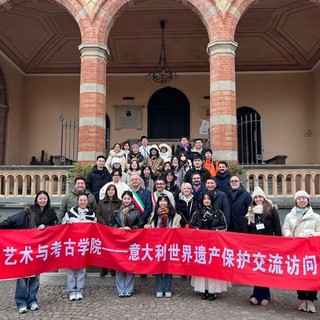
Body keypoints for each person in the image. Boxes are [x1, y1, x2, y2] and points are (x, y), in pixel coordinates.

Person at [0, 190, 58, 314]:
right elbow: (9, 222)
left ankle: (32, 300)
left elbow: (56, 229)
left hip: (40, 250)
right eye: (40, 198)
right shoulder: (27, 212)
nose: (42, 200)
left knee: (36, 276)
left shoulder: (52, 213)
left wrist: (46, 228)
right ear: (36, 199)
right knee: (22, 276)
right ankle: (21, 302)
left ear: (48, 200)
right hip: (26, 249)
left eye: (45, 198)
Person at [282, 190, 320, 313]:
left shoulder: (316, 217)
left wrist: (311, 234)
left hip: (311, 250)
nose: (301, 200)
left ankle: (311, 300)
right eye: (299, 198)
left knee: (312, 275)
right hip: (296, 249)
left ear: (308, 200)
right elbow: (285, 228)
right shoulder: (289, 216)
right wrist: (288, 235)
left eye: (304, 198)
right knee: (299, 275)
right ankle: (302, 299)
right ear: (296, 201)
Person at [244, 186, 281, 306]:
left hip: (268, 244)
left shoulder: (271, 210)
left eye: (260, 197)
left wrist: (279, 243)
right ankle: (255, 294)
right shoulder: (250, 211)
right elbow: (246, 229)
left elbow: (277, 227)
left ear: (264, 198)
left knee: (264, 270)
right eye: (256, 197)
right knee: (256, 269)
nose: (258, 199)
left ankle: (266, 295)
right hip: (254, 245)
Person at [190, 191, 229, 300]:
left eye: (208, 199)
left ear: (211, 200)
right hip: (201, 245)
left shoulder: (218, 212)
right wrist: (196, 230)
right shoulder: (197, 213)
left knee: (213, 266)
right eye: (204, 199)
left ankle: (213, 290)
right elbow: (191, 225)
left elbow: (224, 226)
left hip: (214, 245)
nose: (206, 201)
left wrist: (215, 231)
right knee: (202, 266)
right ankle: (204, 289)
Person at [144, 193, 181, 298]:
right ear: (158, 203)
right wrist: (148, 226)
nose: (163, 203)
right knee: (158, 266)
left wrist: (176, 228)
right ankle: (159, 288)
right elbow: (150, 225)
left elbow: (178, 226)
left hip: (170, 243)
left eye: (165, 201)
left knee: (169, 266)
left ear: (168, 203)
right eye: (161, 201)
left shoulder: (175, 215)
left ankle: (168, 288)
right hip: (157, 244)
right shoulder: (154, 215)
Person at [62, 193, 96, 301]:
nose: (83, 202)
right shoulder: (70, 212)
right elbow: (63, 225)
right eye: (81, 200)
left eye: (85, 200)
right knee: (71, 269)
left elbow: (95, 230)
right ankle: (71, 291)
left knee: (82, 269)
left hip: (84, 245)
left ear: (88, 202)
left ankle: (79, 290)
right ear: (77, 201)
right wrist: (66, 223)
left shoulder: (91, 214)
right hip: (72, 245)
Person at [110, 190, 143, 297]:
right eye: (125, 198)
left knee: (130, 265)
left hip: (132, 241)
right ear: (122, 199)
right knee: (119, 265)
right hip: (119, 241)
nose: (126, 200)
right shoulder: (116, 212)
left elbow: (140, 225)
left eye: (128, 199)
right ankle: (120, 289)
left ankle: (128, 288)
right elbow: (112, 224)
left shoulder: (136, 212)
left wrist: (132, 229)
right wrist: (118, 228)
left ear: (131, 200)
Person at [96, 184, 121, 277]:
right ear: (106, 191)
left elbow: (120, 214)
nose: (111, 191)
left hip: (114, 228)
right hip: (104, 229)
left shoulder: (119, 202)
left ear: (115, 192)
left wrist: (114, 224)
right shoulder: (102, 202)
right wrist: (104, 224)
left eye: (113, 190)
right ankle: (104, 268)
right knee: (104, 249)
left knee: (114, 249)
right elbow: (98, 214)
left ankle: (113, 268)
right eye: (109, 190)